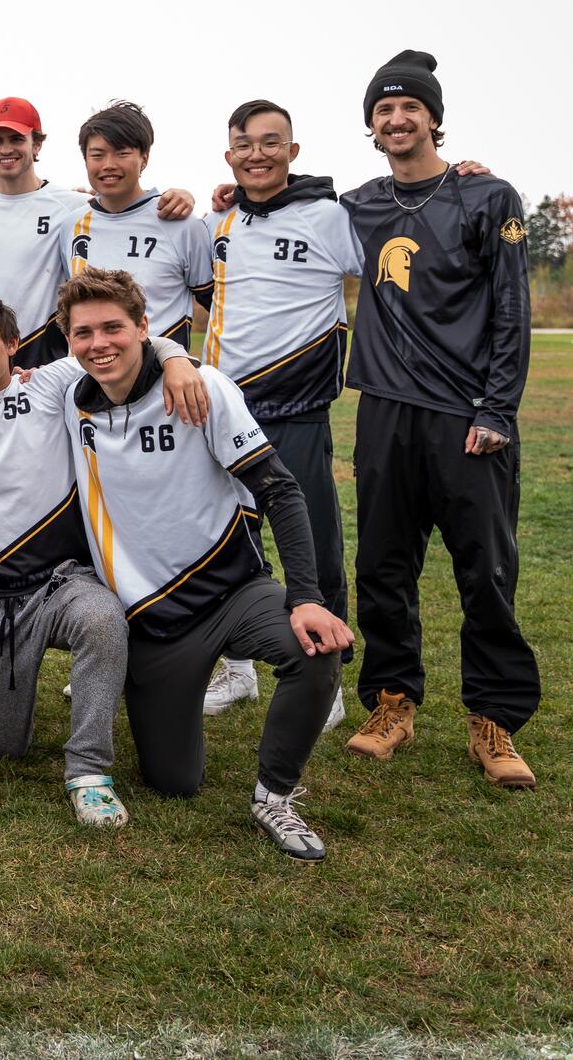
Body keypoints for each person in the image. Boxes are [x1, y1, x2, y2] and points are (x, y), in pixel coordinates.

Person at [59, 269, 351, 859]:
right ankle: (183, 696)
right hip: (152, 620)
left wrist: (308, 597)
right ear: (67, 340)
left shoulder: (202, 387)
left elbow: (281, 492)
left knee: (314, 648)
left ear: (144, 327)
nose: (99, 343)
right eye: (83, 332)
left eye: (114, 327)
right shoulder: (70, 398)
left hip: (233, 592)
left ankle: (275, 797)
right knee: (174, 782)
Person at [0, 292, 202, 828]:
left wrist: (175, 359)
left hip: (60, 582)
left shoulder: (50, 384)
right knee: (2, 748)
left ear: (12, 344)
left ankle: (89, 772)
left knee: (103, 620)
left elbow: (122, 348)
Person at [338, 50, 538, 788]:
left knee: (484, 571)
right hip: (386, 409)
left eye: (408, 107)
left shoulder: (488, 197)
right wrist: (232, 186)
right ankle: (392, 703)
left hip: (466, 416)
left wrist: (497, 408)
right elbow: (277, 204)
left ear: (432, 117)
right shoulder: (357, 203)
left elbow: (514, 309)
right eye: (383, 110)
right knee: (383, 566)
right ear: (372, 125)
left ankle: (495, 720)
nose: (396, 119)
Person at [198, 99, 363, 721]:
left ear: (293, 152)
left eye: (271, 143)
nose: (257, 153)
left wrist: (459, 178)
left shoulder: (329, 216)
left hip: (295, 407)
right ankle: (235, 668)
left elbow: (401, 247)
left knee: (312, 542)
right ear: (229, 155)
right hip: (222, 410)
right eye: (244, 144)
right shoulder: (220, 221)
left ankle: (329, 681)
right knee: (223, 541)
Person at [65, 101, 213, 345]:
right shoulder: (71, 226)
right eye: (97, 155)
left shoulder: (182, 224)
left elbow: (218, 309)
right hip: (90, 376)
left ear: (144, 158)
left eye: (122, 153)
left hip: (162, 375)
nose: (108, 164)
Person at [0, 98, 88, 366]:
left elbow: (121, 209)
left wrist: (181, 197)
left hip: (48, 360)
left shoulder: (72, 205)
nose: (6, 149)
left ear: (36, 144)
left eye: (16, 139)